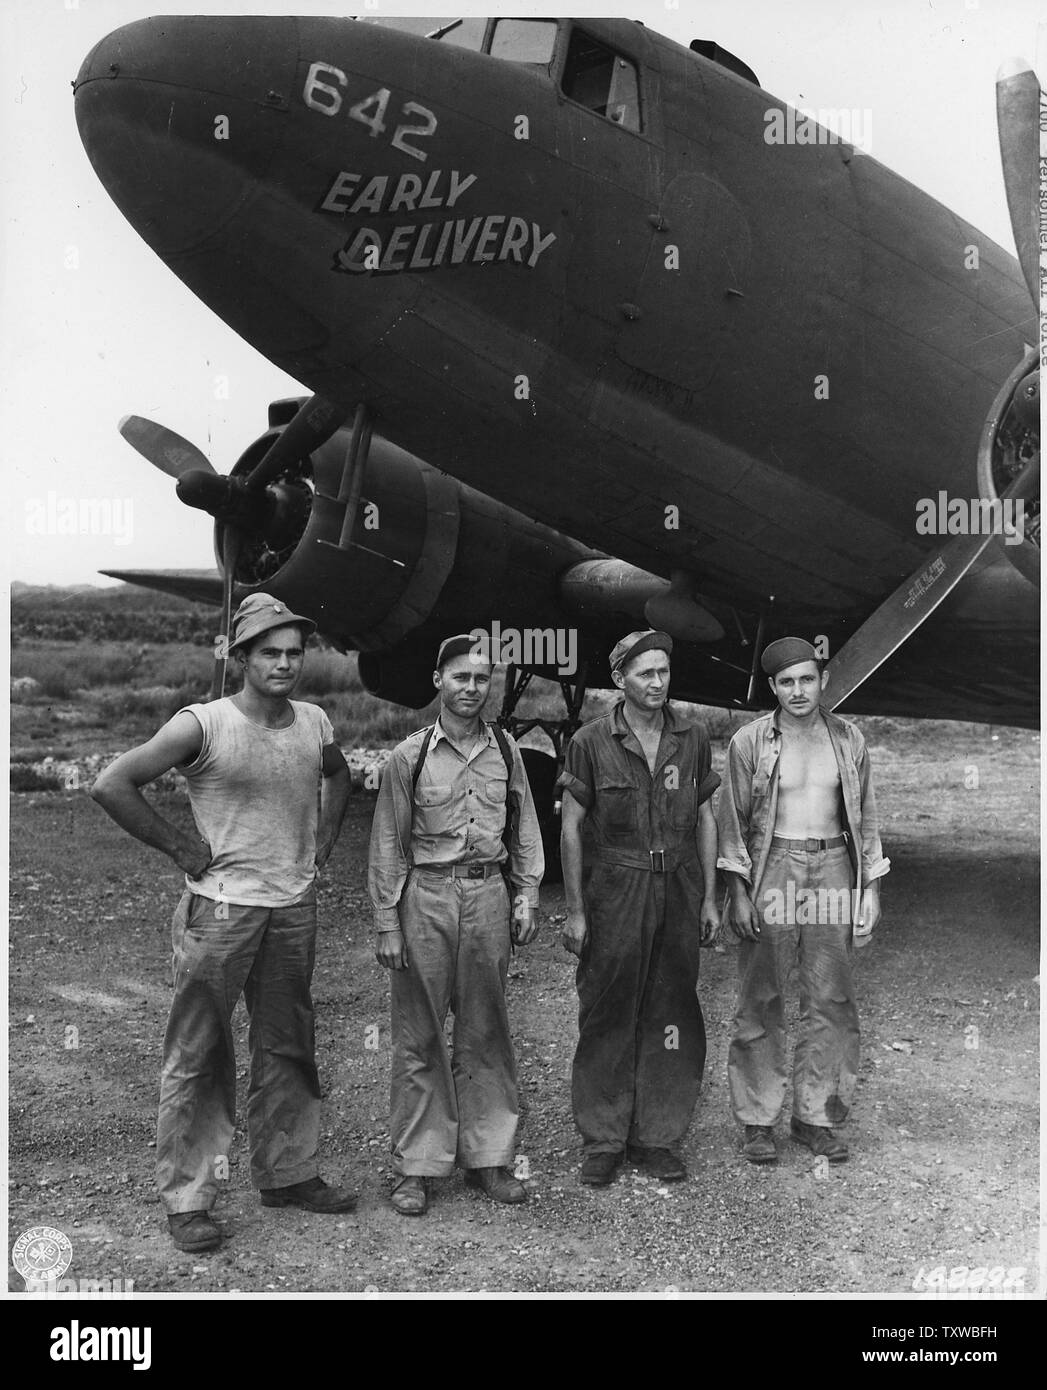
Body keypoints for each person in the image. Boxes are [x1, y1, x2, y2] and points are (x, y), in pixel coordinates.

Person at [91, 593, 355, 1253]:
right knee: (200, 1053)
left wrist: (321, 840)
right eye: (271, 652)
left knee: (288, 1044)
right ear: (242, 657)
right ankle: (188, 1200)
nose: (285, 664)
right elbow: (112, 783)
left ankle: (288, 1173)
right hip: (223, 910)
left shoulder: (314, 722)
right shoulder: (201, 725)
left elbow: (339, 773)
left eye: (294, 653)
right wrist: (180, 846)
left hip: (292, 907)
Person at [368, 634, 544, 1216]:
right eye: (461, 677)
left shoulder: (506, 749)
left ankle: (488, 1157)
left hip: (488, 894)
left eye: (482, 679)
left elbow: (524, 826)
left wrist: (527, 895)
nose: (472, 688)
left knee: (486, 1030)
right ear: (439, 680)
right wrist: (387, 922)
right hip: (427, 897)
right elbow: (388, 842)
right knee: (419, 1034)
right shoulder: (409, 756)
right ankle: (416, 1166)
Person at [717, 636, 890, 1165]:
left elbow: (866, 818)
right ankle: (757, 1120)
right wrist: (739, 891)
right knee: (761, 995)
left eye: (806, 679)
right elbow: (732, 823)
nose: (798, 690)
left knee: (831, 997)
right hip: (775, 866)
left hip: (834, 866)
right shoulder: (750, 741)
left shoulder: (848, 739)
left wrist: (871, 889)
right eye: (786, 682)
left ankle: (815, 1116)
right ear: (772, 687)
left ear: (822, 680)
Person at [558, 630, 721, 1186]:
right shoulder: (591, 740)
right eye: (644, 673)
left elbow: (704, 817)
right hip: (616, 886)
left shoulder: (692, 737)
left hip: (676, 885)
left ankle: (657, 1136)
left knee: (672, 1010)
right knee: (607, 1007)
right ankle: (603, 1139)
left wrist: (709, 897)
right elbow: (572, 826)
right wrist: (576, 910)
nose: (657, 682)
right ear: (619, 680)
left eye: (664, 671)